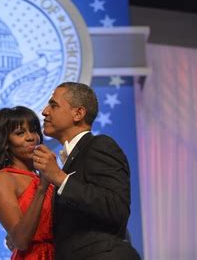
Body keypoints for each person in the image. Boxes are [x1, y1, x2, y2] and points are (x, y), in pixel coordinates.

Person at [33, 82, 141, 260]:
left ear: (78, 113)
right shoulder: (71, 159)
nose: (45, 111)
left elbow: (116, 208)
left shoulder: (99, 145)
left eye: (54, 105)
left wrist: (60, 178)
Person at [0, 106, 55, 259]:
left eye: (33, 130)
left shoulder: (45, 177)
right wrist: (41, 189)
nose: (31, 137)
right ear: (5, 142)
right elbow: (21, 240)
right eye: (20, 133)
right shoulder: (3, 179)